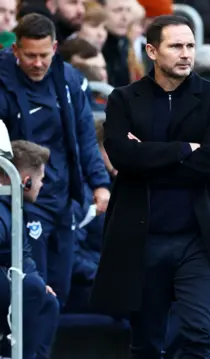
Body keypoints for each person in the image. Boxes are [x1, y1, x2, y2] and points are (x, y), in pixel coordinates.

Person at [90, 15, 210, 358]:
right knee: (145, 345)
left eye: (189, 46)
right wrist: (185, 149)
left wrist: (146, 157)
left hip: (199, 237)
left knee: (200, 335)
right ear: (152, 51)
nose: (185, 54)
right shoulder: (124, 99)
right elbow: (122, 157)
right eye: (175, 46)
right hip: (143, 237)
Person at [0, 13, 110, 305]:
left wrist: (99, 183)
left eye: (44, 55)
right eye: (30, 55)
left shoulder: (69, 80)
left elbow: (85, 136)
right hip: (18, 202)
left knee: (58, 292)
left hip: (62, 200)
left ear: (56, 48)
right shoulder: (2, 82)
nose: (37, 63)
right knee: (34, 296)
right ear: (15, 50)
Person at [0, 140, 58, 359]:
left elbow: (23, 253)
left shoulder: (14, 208)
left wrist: (37, 281)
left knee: (47, 298)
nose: (42, 185)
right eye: (41, 179)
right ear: (26, 182)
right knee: (32, 287)